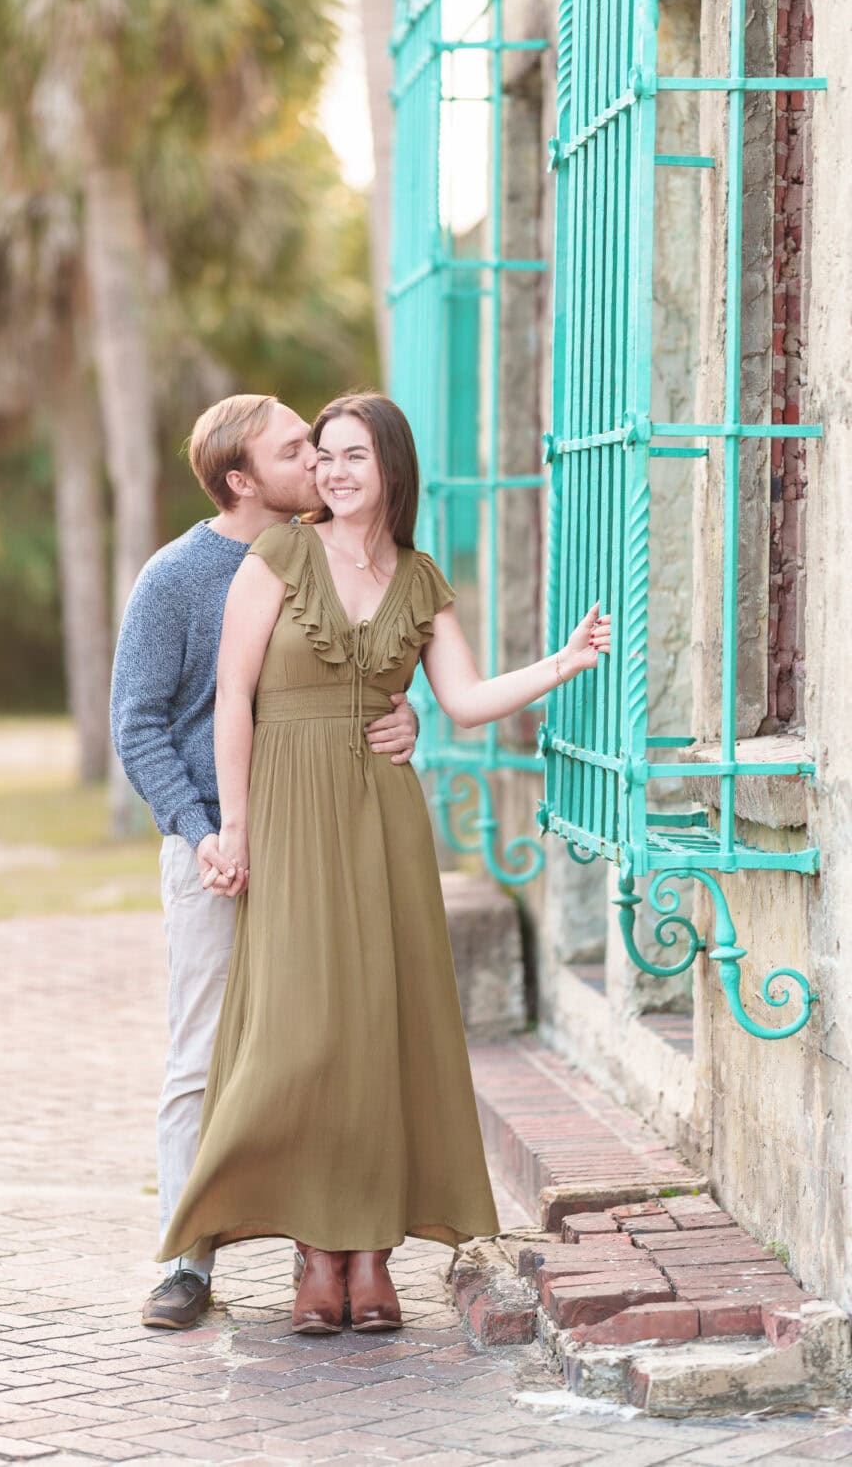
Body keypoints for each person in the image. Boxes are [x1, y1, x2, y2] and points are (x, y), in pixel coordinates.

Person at [157, 392, 611, 1333]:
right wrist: (233, 827)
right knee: (301, 1029)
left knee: (378, 1027)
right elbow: (231, 699)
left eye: (352, 455)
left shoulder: (421, 578)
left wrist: (563, 664)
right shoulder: (277, 556)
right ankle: (311, 1251)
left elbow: (469, 699)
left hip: (384, 818)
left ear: (391, 468)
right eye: (322, 456)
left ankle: (370, 1256)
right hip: (285, 812)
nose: (332, 471)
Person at [110, 394, 419, 1331]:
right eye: (296, 450)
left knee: (319, 1041)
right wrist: (203, 829)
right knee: (205, 1050)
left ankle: (318, 1254)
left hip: (316, 837)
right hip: (216, 845)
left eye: (323, 446)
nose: (317, 461)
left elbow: (371, 660)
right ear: (244, 480)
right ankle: (186, 1261)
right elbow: (140, 723)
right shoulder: (176, 578)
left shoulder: (333, 552)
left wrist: (409, 720)